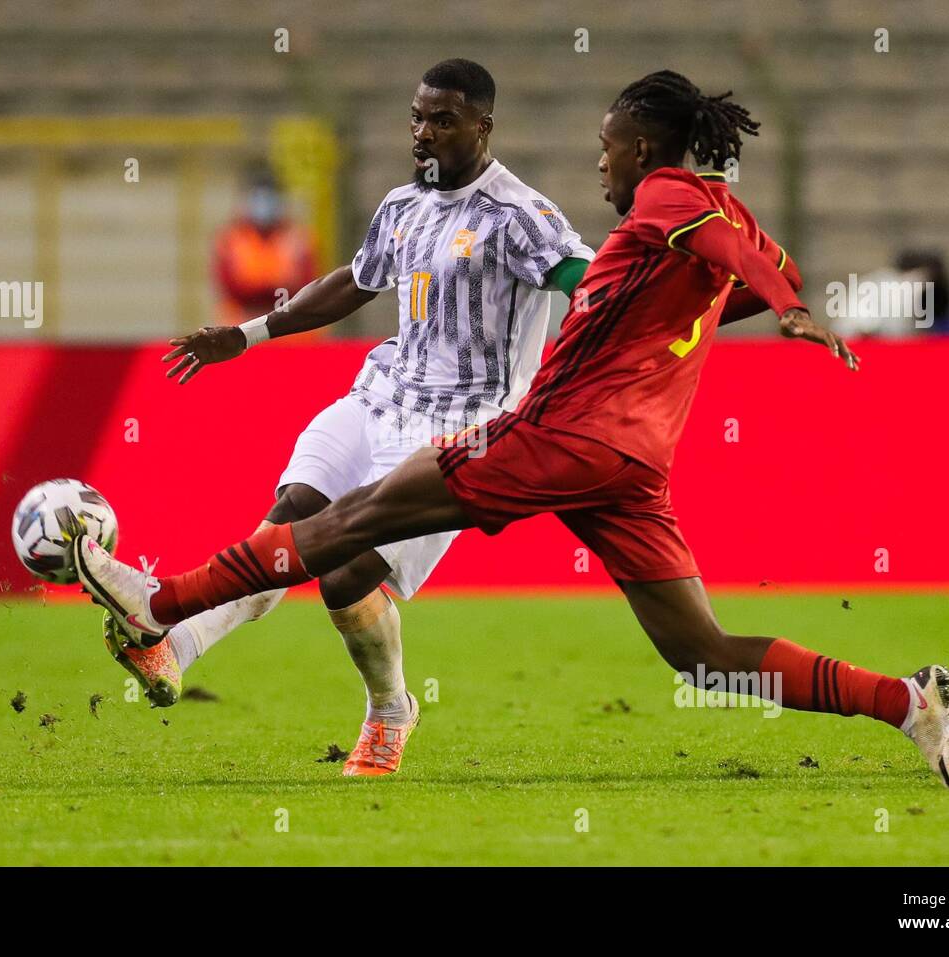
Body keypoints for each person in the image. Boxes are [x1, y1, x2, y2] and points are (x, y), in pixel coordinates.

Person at [76, 70, 949, 789]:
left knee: (347, 528)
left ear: (646, 146)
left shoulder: (665, 194)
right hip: (633, 462)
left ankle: (157, 606)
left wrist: (789, 310)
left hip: (556, 436)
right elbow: (748, 260)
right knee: (703, 655)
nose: (602, 166)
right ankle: (907, 703)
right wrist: (762, 297)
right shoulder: (712, 210)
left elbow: (744, 264)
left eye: (608, 147)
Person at [105, 58, 594, 777]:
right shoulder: (403, 205)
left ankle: (391, 710)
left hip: (459, 428)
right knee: (287, 523)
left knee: (344, 575)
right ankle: (174, 646)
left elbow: (585, 279)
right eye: (417, 118)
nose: (423, 133)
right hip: (379, 398)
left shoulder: (519, 214)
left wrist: (604, 356)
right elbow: (354, 284)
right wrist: (247, 333)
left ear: (483, 127)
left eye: (443, 120)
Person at [211, 167, 317, 325]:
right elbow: (231, 287)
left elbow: (307, 286)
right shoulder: (231, 239)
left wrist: (259, 291)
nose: (263, 204)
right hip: (241, 332)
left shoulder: (298, 239)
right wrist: (272, 290)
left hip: (290, 334)